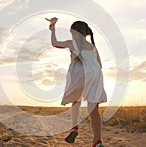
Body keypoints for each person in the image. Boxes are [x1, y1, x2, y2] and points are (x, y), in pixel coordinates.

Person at [46, 17, 107, 147]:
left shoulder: (72, 43)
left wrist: (52, 29)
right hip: (96, 74)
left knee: (76, 100)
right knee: (94, 110)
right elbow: (100, 65)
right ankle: (97, 141)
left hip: (80, 74)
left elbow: (55, 43)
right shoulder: (92, 46)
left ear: (74, 32)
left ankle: (74, 127)